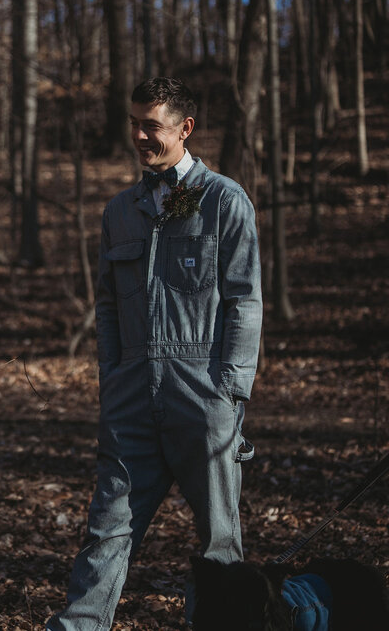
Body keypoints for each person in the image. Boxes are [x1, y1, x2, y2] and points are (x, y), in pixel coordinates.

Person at [47, 77, 263, 630]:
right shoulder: (120, 210)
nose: (140, 135)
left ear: (185, 128)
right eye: (135, 123)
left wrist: (231, 390)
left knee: (219, 543)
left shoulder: (224, 201)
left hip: (203, 394)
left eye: (153, 125)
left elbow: (243, 300)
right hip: (132, 396)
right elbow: (107, 306)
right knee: (107, 530)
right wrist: (112, 377)